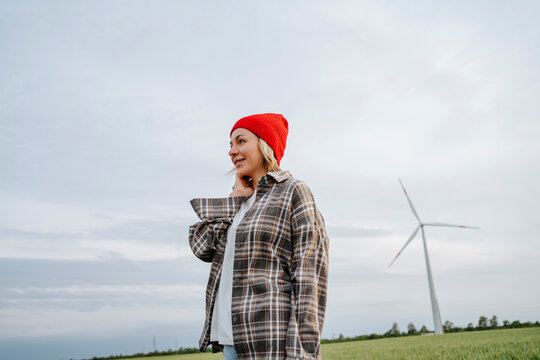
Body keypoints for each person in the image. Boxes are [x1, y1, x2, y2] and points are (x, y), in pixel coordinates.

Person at [188, 113, 329, 360]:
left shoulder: (293, 191)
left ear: (265, 145)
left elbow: (309, 276)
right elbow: (202, 248)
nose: (232, 151)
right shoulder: (239, 202)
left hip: (271, 342)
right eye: (230, 145)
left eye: (241, 141)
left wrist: (303, 352)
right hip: (232, 342)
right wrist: (234, 198)